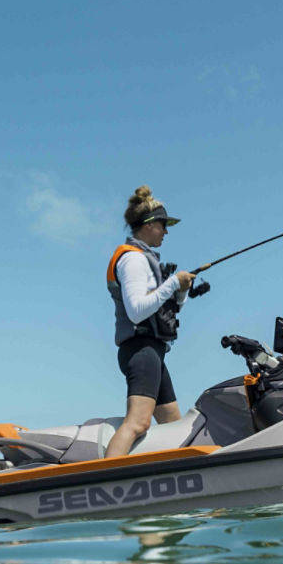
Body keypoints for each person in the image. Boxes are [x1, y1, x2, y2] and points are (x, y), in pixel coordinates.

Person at [103, 185, 197, 458]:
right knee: (138, 423)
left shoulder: (145, 259)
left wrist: (180, 291)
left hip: (152, 352)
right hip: (140, 351)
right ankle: (106, 483)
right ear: (147, 225)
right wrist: (171, 284)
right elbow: (136, 312)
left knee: (174, 427)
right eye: (163, 225)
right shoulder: (132, 260)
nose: (166, 231)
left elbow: (165, 306)